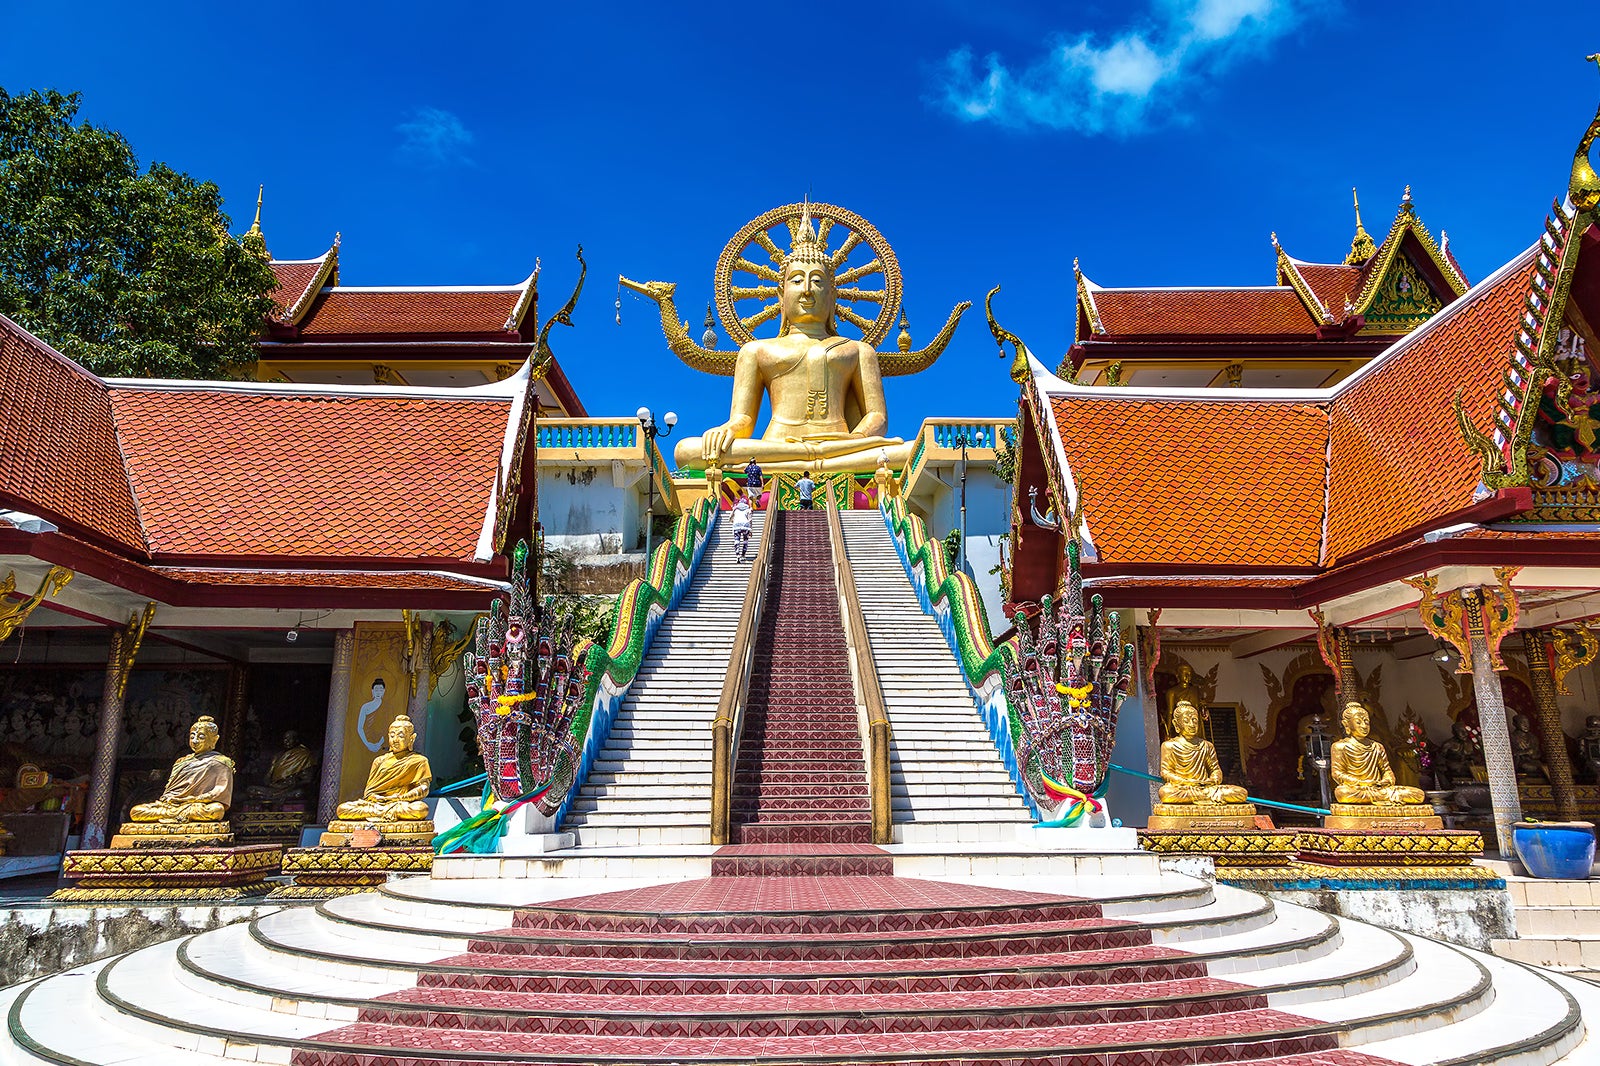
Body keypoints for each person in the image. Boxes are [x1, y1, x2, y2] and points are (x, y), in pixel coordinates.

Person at [731, 492, 753, 562]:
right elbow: (750, 520)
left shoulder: (736, 509)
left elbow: (730, 518)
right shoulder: (748, 510)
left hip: (736, 526)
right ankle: (743, 555)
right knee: (745, 541)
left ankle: (737, 555)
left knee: (737, 540)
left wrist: (733, 521)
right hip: (746, 526)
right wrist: (751, 530)